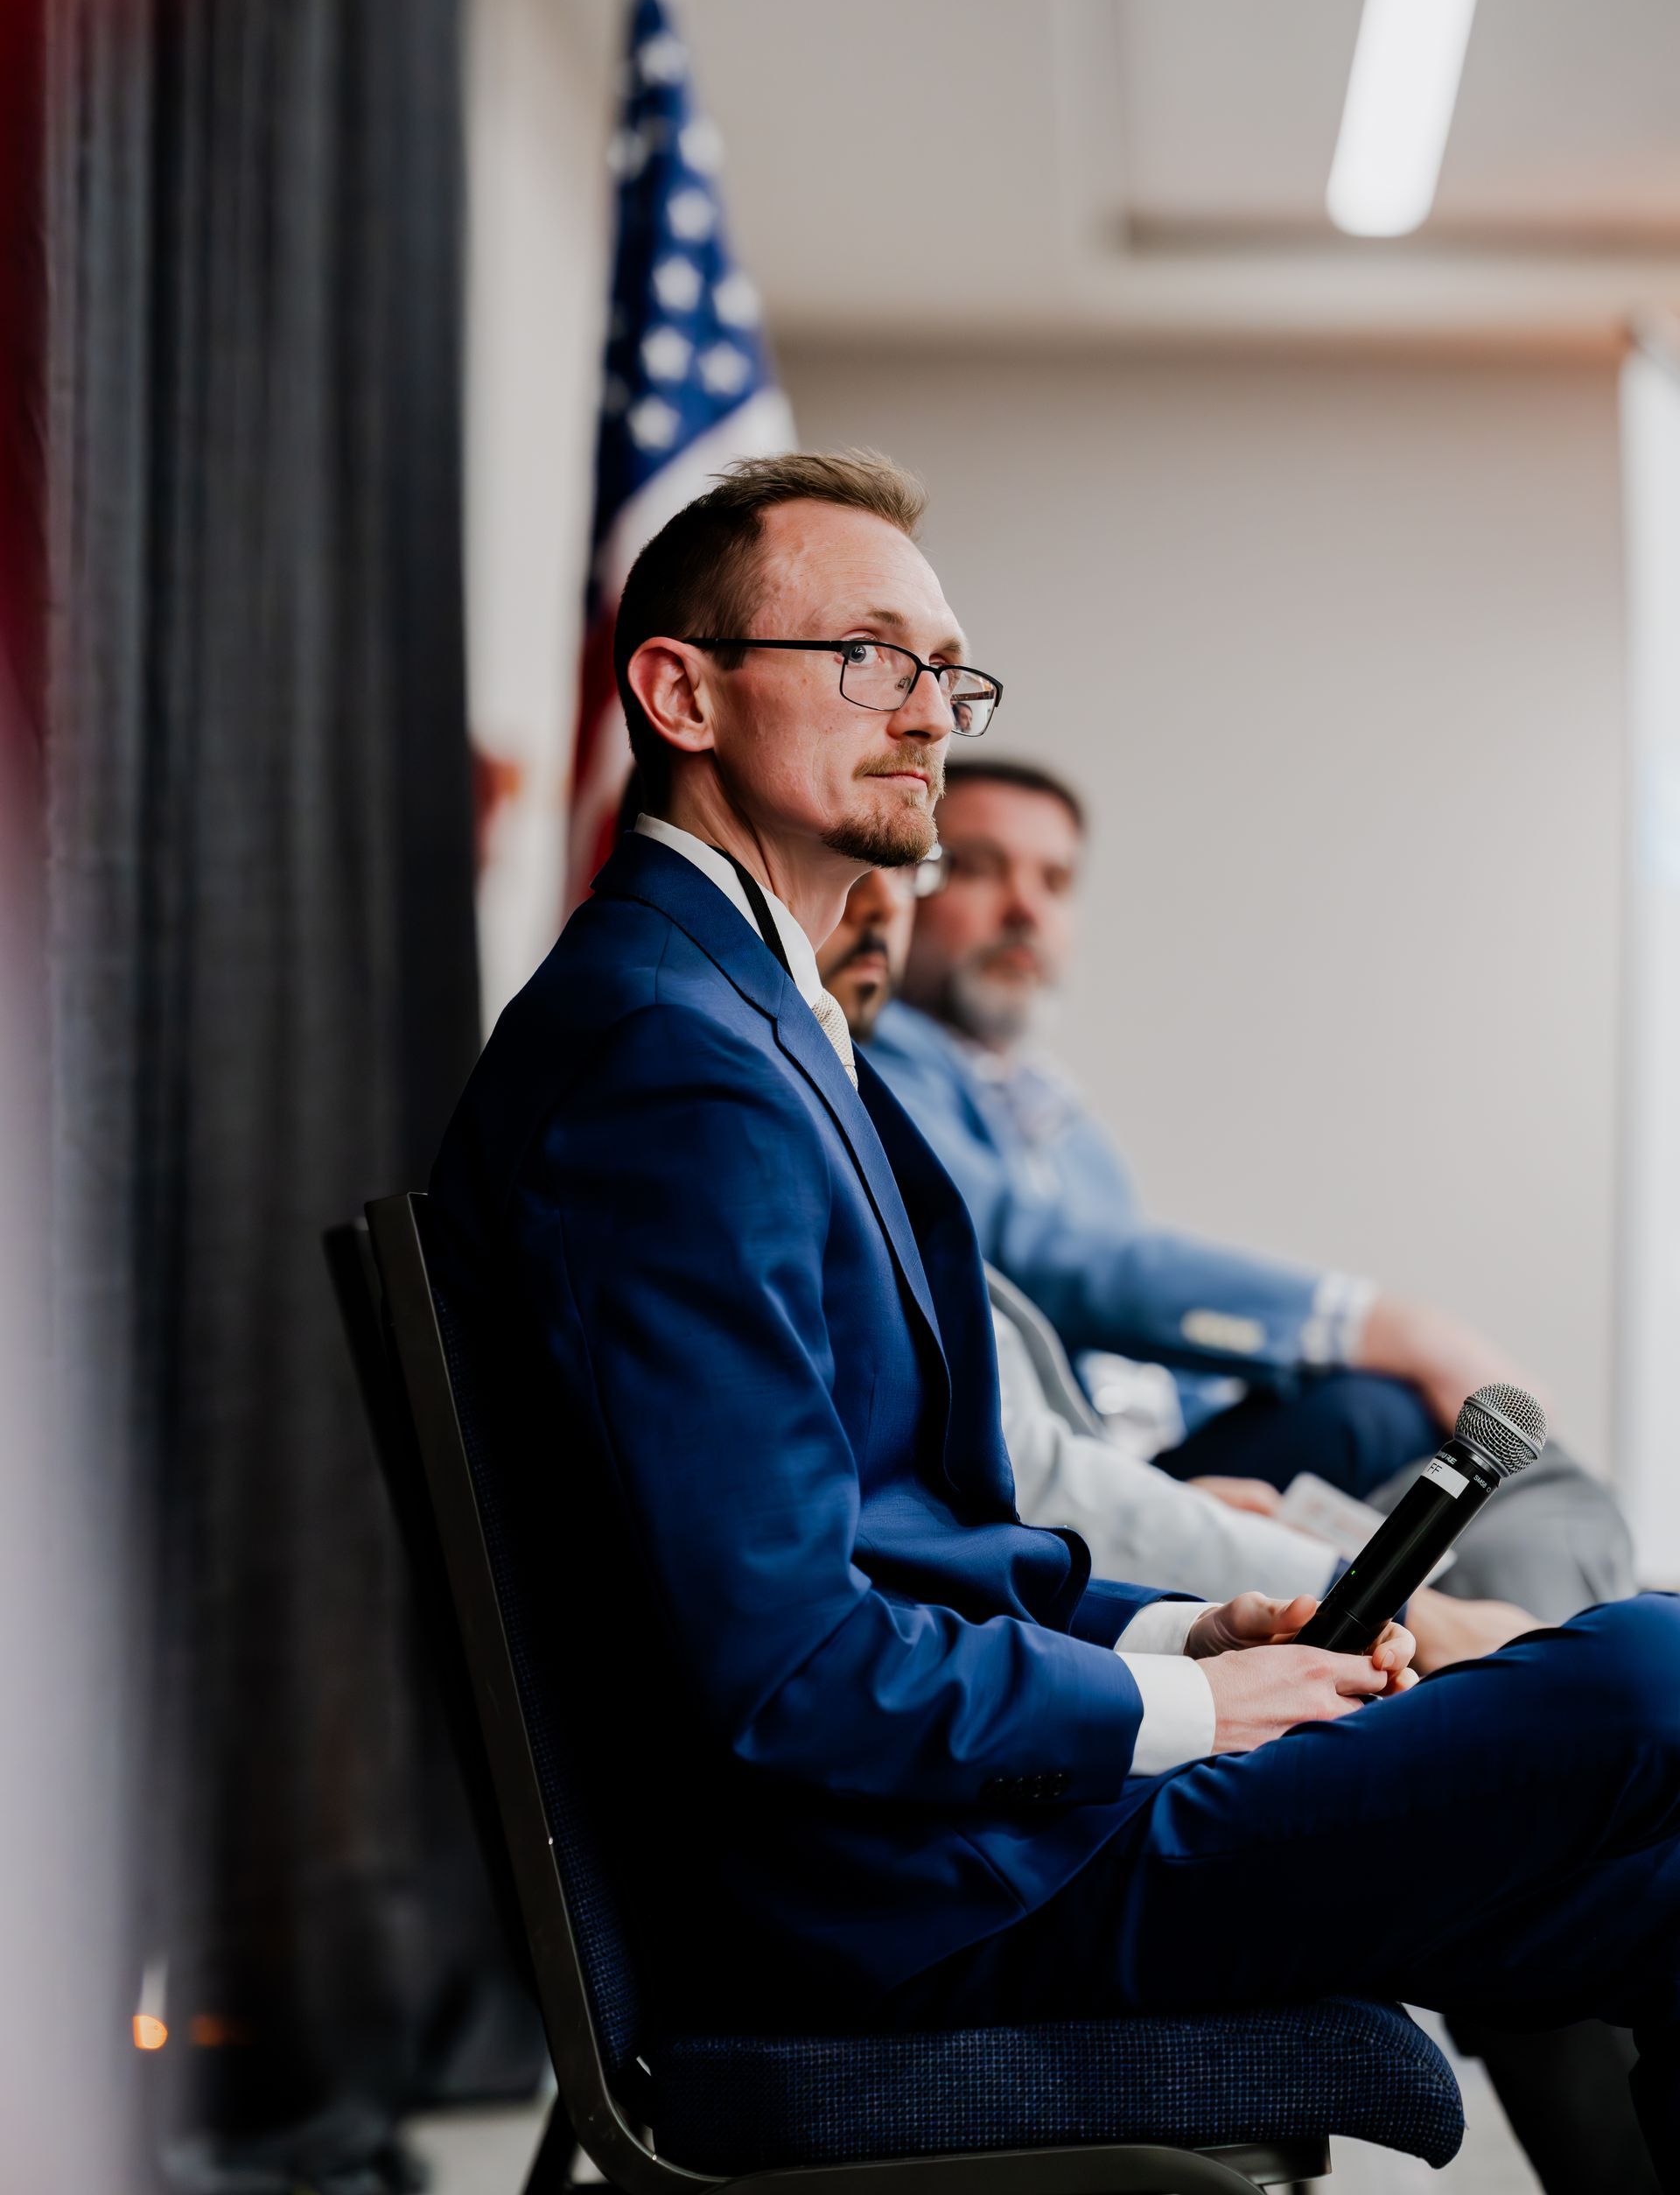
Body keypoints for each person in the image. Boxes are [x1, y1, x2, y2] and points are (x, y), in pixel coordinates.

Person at [429, 449, 1680, 2190]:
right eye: (871, 656)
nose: (930, 711)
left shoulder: (752, 1031)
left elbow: (908, 1540)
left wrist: (1185, 1635)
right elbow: (785, 1671)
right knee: (1653, 1672)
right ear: (681, 691)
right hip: (890, 1892)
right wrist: (1190, 1716)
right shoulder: (670, 1068)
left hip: (955, 1828)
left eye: (949, 671)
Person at [863, 758, 1536, 1505]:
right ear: (898, 885)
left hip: (1142, 1460)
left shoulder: (1063, 1121)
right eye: (979, 870)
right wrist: (1374, 1323)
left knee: (1430, 1452)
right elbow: (1050, 1257)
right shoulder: (866, 1063)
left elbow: (1139, 1348)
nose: (1026, 908)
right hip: (1033, 1486)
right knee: (1379, 1415)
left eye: (1055, 882)